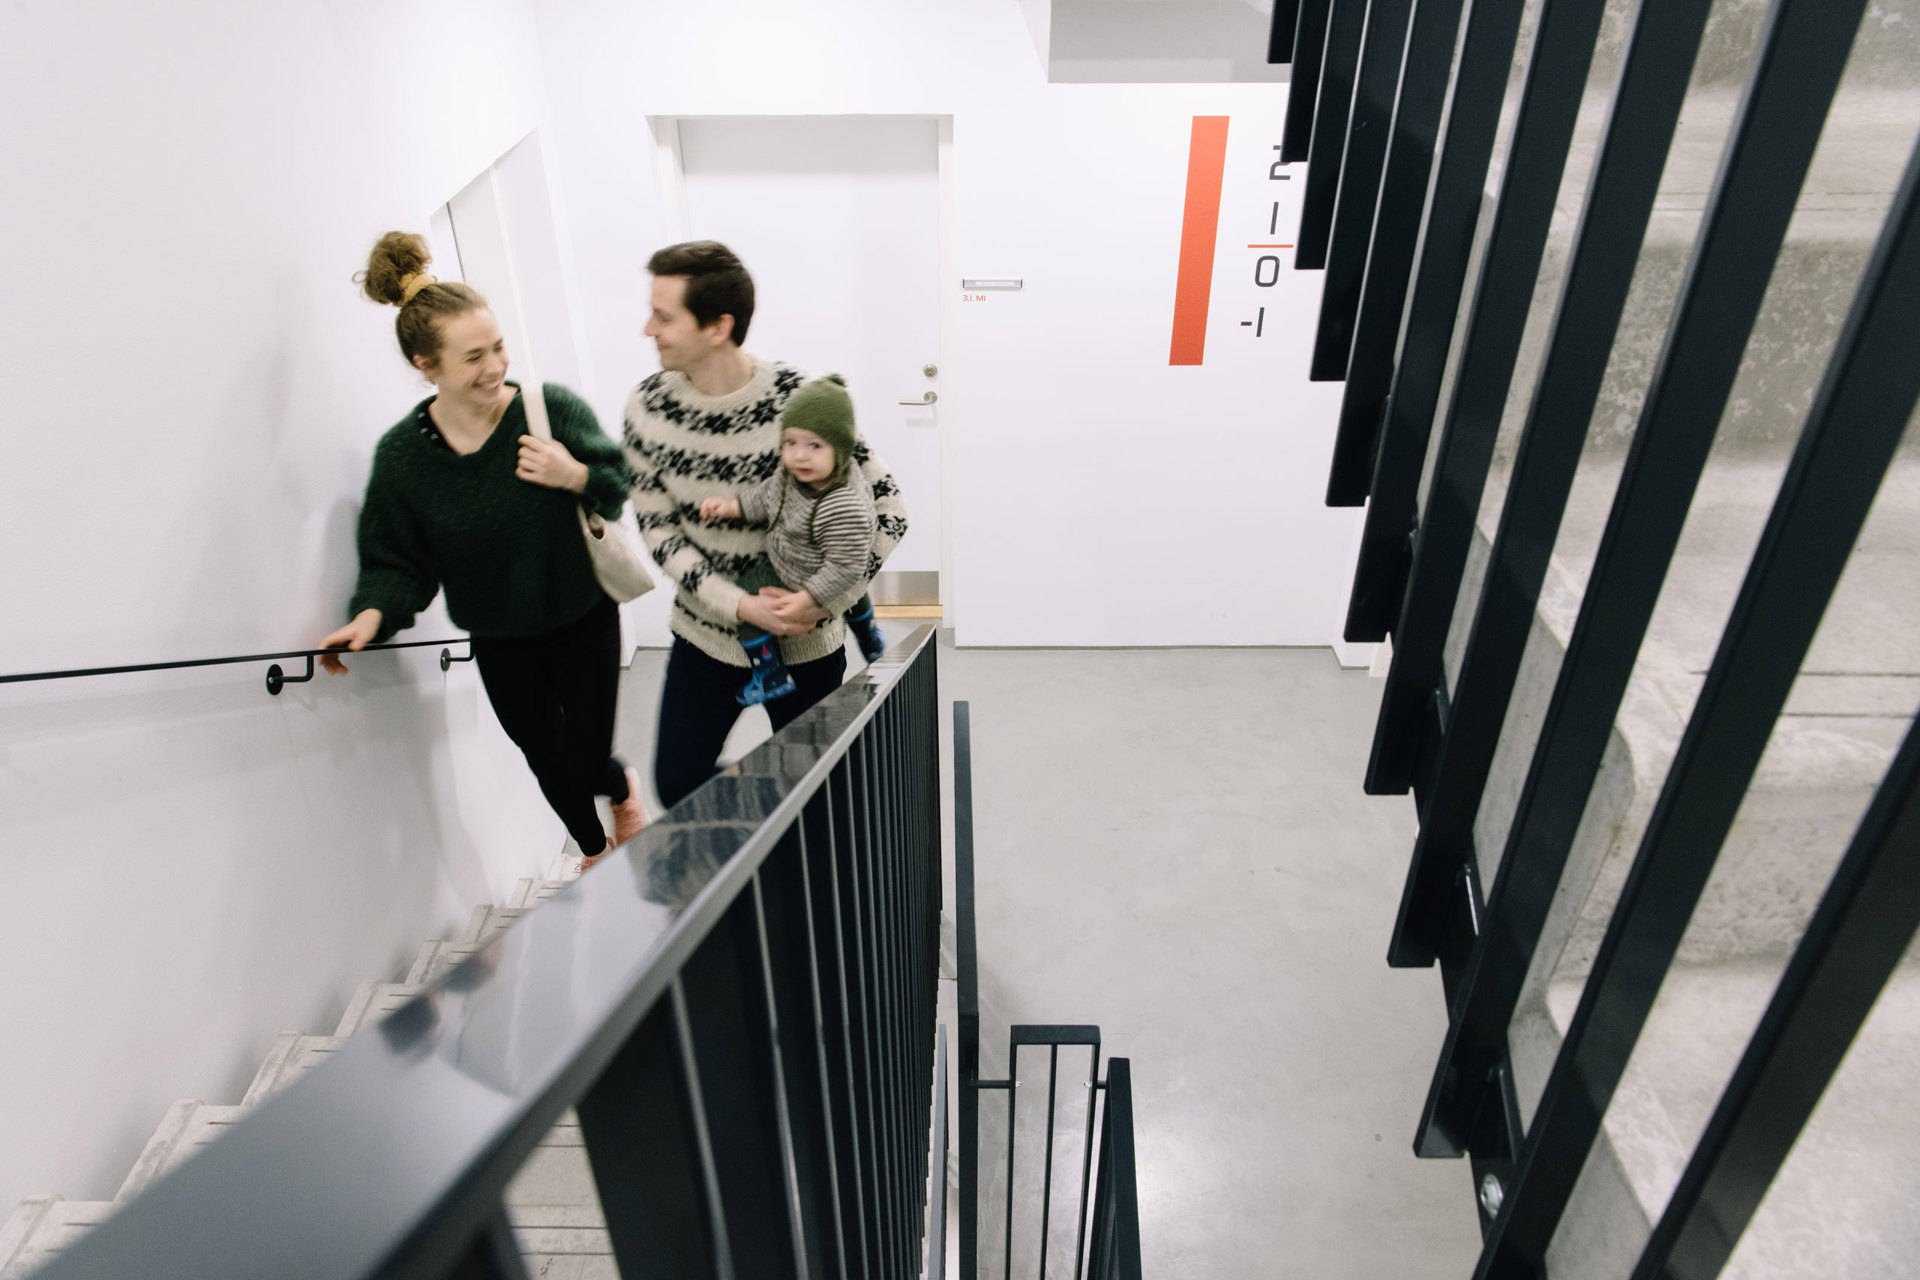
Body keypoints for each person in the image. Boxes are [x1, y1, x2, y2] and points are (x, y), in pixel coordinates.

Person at [321, 232, 646, 870]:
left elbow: (617, 483)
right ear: (426, 364)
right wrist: (371, 616)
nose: (495, 367)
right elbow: (395, 561)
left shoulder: (548, 410)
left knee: (583, 756)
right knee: (543, 755)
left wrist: (574, 474)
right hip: (501, 637)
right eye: (473, 357)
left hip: (581, 614)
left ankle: (620, 788)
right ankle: (593, 853)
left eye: (497, 347)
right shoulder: (404, 459)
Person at [624, 241, 907, 809]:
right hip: (705, 636)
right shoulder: (647, 408)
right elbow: (659, 531)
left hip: (807, 644)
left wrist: (823, 601)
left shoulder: (801, 400)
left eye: (663, 316)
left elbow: (890, 511)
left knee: (816, 794)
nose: (647, 329)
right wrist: (740, 605)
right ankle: (764, 818)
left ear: (718, 326)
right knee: (677, 784)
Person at [699, 373, 886, 705]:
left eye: (815, 446)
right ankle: (869, 635)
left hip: (804, 571)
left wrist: (807, 598)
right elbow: (765, 497)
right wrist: (730, 507)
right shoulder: (791, 476)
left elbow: (845, 568)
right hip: (810, 556)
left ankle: (770, 673)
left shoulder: (844, 506)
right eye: (790, 443)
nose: (800, 456)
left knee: (747, 596)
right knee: (857, 597)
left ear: (841, 449)